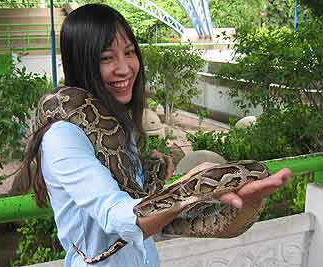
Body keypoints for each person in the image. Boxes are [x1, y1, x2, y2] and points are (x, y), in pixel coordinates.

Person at [23, 3, 292, 267]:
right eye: (107, 58)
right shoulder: (63, 138)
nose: (125, 68)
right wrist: (188, 186)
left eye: (129, 53)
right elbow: (121, 217)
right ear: (81, 62)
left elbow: (154, 225)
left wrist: (247, 205)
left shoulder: (118, 126)